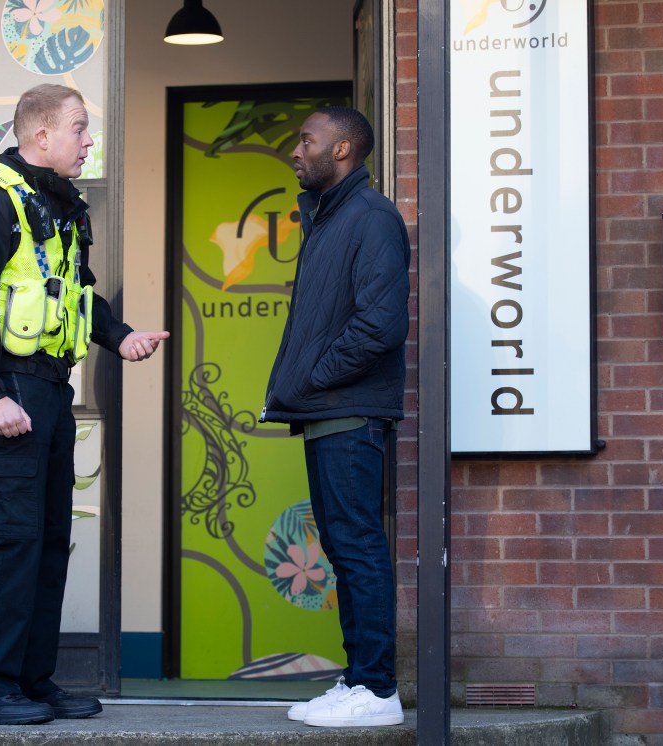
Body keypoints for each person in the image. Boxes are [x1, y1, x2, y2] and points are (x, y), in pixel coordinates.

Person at [0, 83, 168, 726]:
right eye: (79, 128)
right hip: (7, 387)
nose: (88, 140)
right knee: (12, 538)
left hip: (51, 388)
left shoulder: (61, 209)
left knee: (48, 539)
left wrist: (120, 337)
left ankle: (31, 682)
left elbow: (77, 293)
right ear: (41, 134)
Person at [260, 106, 410, 728]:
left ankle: (376, 691)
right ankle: (359, 680)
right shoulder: (329, 218)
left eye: (307, 140)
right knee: (347, 549)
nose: (296, 150)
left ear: (343, 148)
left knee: (358, 548)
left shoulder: (370, 218)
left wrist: (314, 377)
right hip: (330, 412)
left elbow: (381, 324)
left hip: (348, 410)